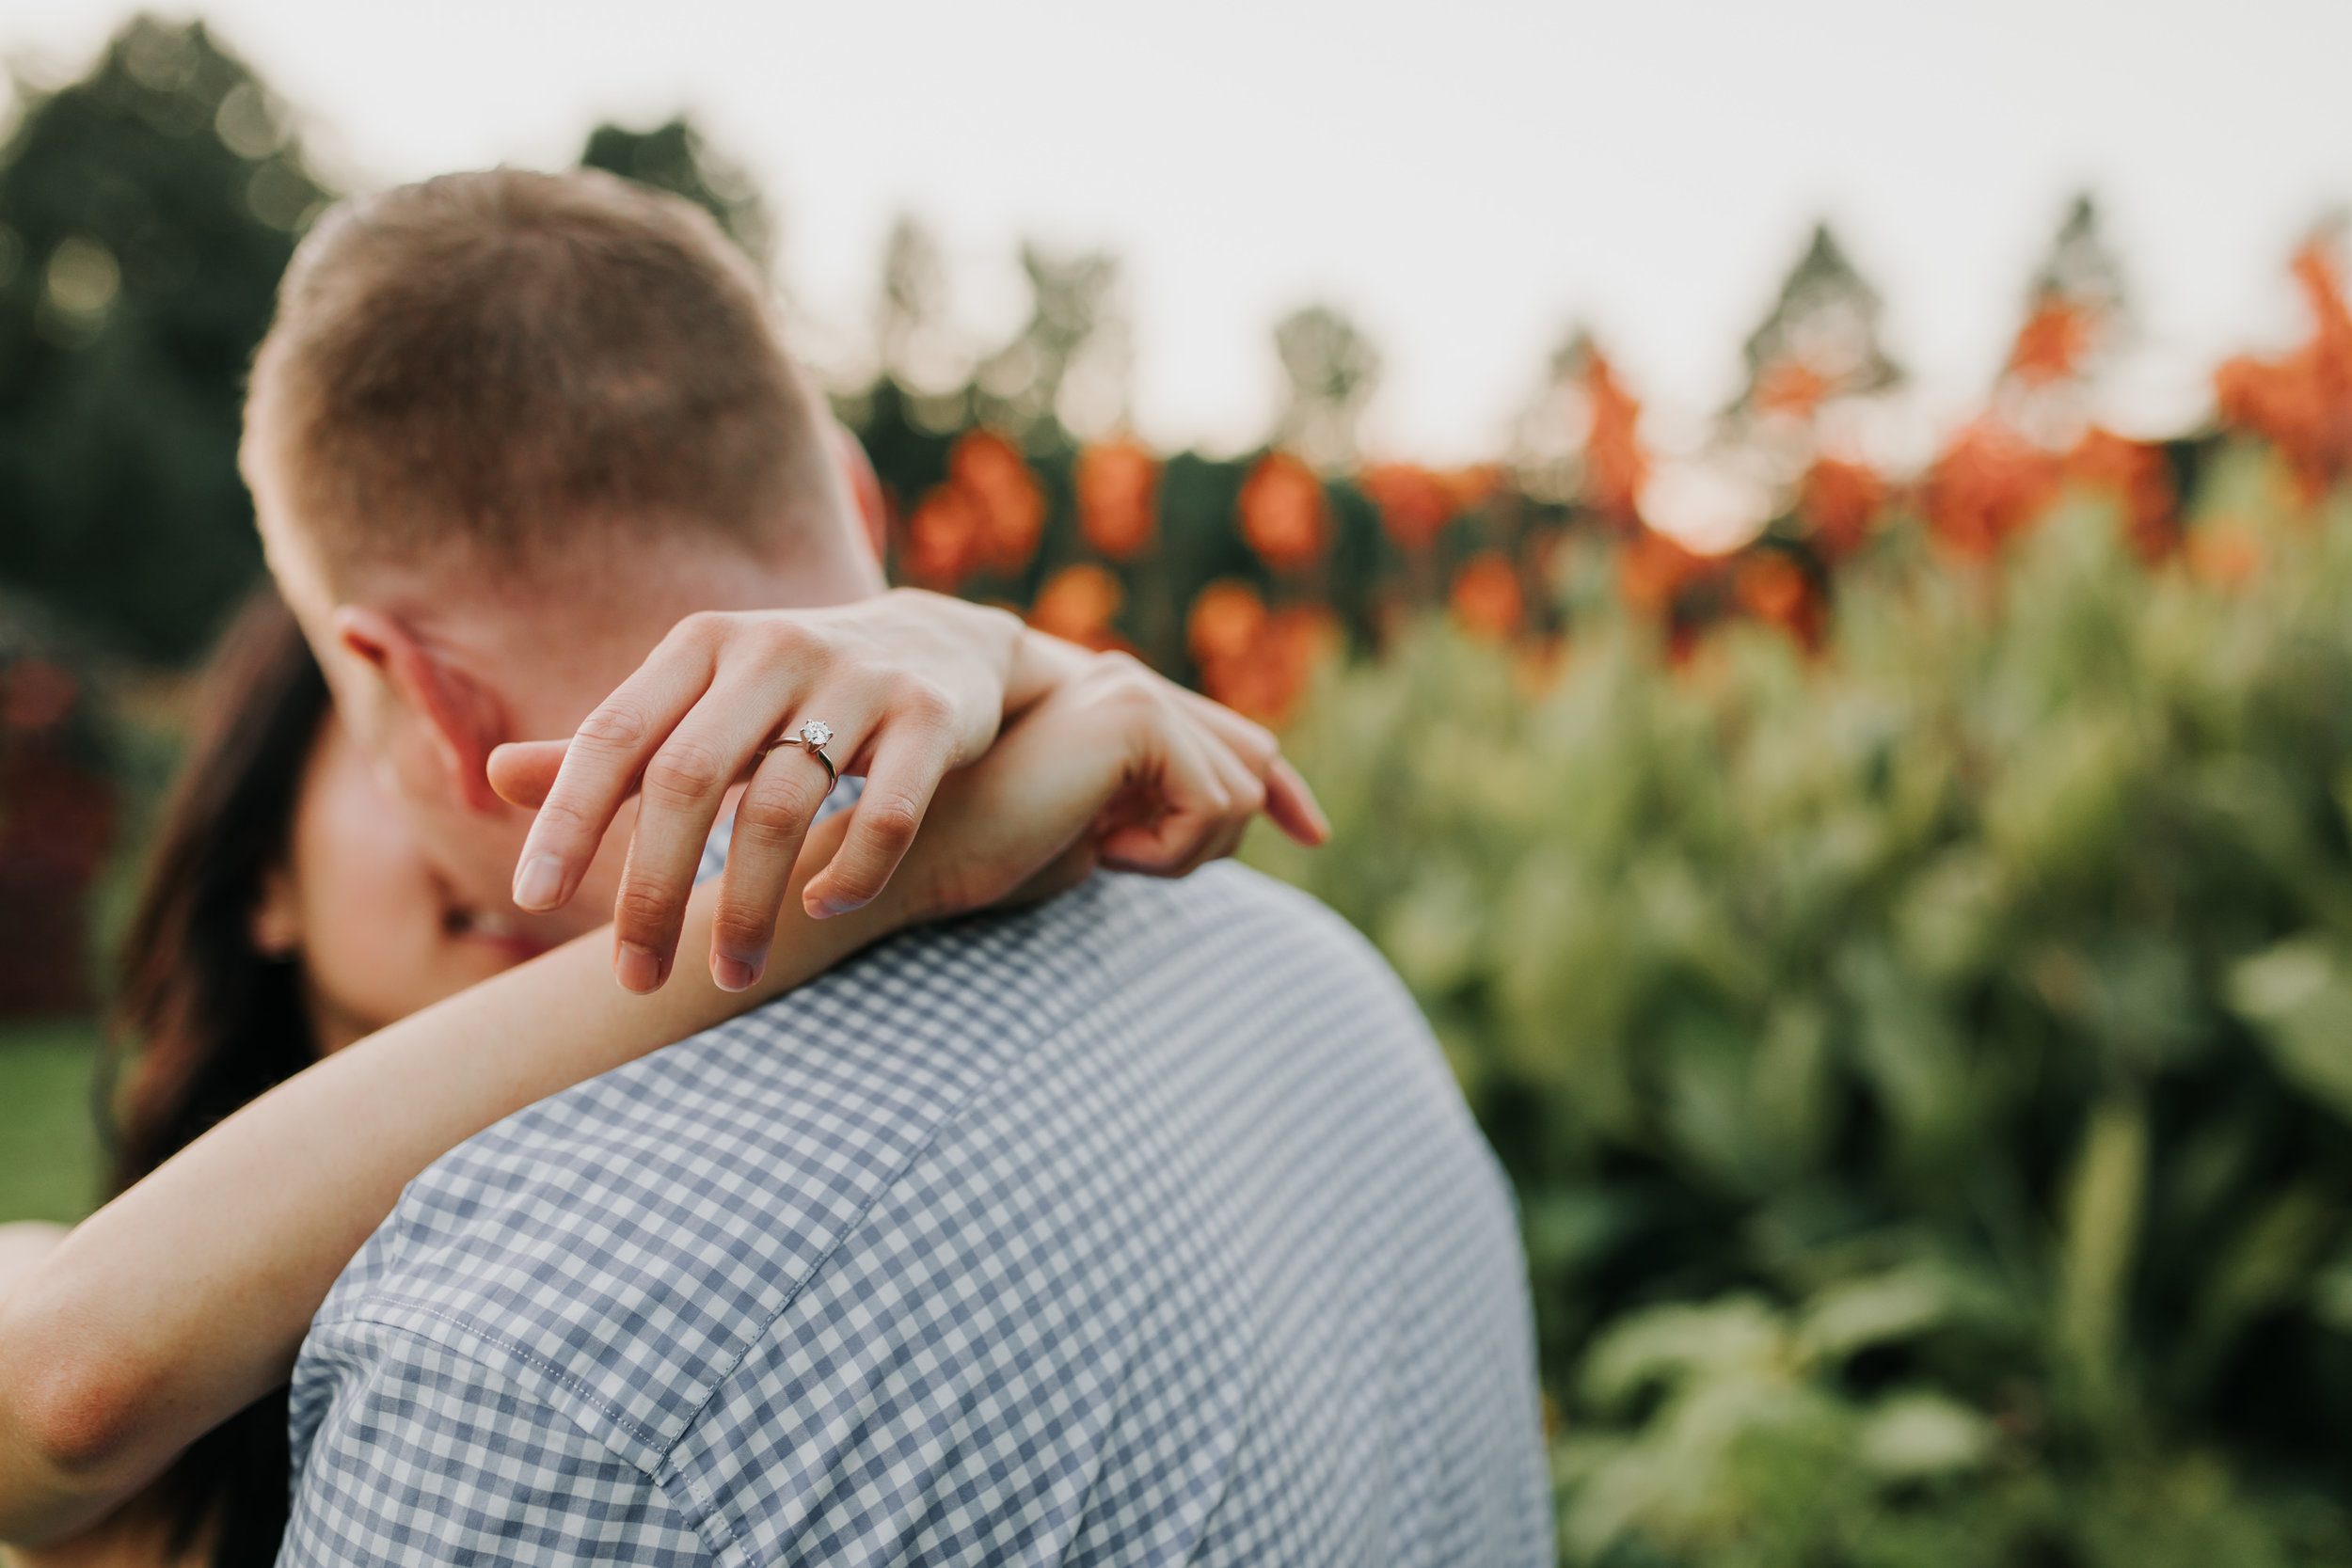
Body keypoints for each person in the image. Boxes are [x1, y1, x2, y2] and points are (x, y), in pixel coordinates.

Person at [31, 166, 1550, 1561]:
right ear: (858, 492)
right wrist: (928, 835)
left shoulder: (523, 1355)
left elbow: (66, 1394)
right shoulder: (1318, 984)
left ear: (415, 694)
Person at [0, 579, 1302, 1568]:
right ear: (262, 879)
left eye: (615, 755)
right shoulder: (60, 1270)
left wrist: (1005, 663)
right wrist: (913, 861)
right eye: (413, 768)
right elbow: (69, 1388)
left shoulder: (686, 1195)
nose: (519, 819)